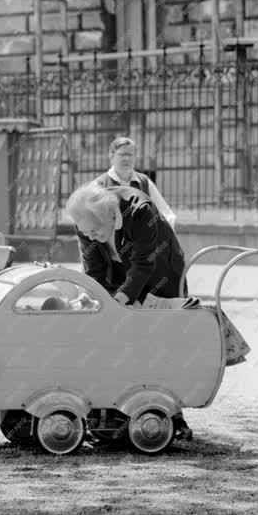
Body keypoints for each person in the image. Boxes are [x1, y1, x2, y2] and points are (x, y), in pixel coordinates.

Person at [67, 180, 194, 440]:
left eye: (95, 231)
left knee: (161, 344)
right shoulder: (85, 220)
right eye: (85, 232)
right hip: (121, 279)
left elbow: (143, 264)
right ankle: (107, 412)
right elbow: (93, 268)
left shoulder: (140, 211)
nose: (90, 236)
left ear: (110, 216)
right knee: (112, 342)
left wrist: (121, 299)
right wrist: (96, 298)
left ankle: (173, 417)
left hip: (161, 278)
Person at [96, 137, 176, 230]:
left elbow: (165, 213)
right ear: (111, 157)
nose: (126, 158)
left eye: (130, 155)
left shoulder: (144, 182)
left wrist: (164, 234)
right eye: (122, 154)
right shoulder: (100, 184)